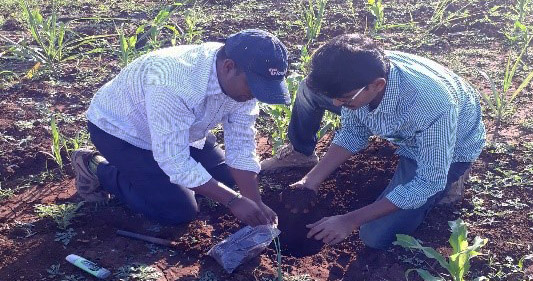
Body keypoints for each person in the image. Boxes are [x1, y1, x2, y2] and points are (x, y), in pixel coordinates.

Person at [269, 34, 485, 249]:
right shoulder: (358, 77)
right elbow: (353, 132)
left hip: (451, 143)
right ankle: (301, 153)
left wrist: (349, 220)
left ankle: (453, 177)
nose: (336, 104)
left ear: (377, 85)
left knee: (374, 236)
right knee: (310, 91)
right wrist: (310, 181)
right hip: (407, 119)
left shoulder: (430, 107)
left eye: (344, 99)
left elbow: (428, 182)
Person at [72, 29, 290, 227]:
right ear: (228, 67)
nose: (254, 95)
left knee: (230, 179)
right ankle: (96, 168)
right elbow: (174, 160)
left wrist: (254, 201)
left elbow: (241, 143)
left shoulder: (242, 78)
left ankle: (150, 176)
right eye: (254, 87)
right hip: (123, 133)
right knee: (178, 210)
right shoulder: (173, 83)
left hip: (182, 130)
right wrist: (233, 200)